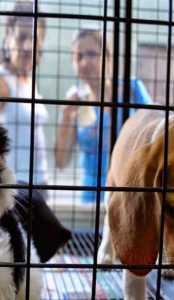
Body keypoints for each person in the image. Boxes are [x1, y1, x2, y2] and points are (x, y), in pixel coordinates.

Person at [0, 1, 49, 199]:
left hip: (39, 182)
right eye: (21, 38)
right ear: (7, 40)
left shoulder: (29, 82)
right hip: (13, 186)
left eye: (34, 39)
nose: (28, 46)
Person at [54, 28, 112, 204]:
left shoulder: (130, 91)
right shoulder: (76, 102)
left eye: (92, 54)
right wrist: (66, 117)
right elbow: (61, 162)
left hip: (125, 188)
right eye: (78, 57)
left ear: (107, 58)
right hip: (90, 194)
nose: (84, 62)